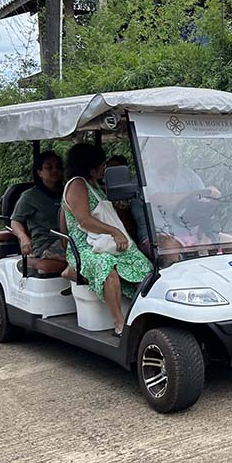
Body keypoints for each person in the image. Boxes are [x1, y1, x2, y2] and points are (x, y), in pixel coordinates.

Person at [62, 143, 153, 336]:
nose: (104, 169)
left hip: (104, 240)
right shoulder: (77, 184)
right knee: (106, 265)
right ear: (90, 166)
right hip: (84, 245)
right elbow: (85, 221)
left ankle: (145, 315)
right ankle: (119, 323)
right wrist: (115, 232)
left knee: (143, 265)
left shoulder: (95, 185)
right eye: (101, 164)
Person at [9, 151, 66, 260]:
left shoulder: (68, 192)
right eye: (49, 168)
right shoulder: (29, 196)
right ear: (40, 172)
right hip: (46, 243)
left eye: (58, 167)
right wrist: (23, 237)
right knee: (81, 257)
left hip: (69, 239)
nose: (55, 170)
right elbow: (15, 221)